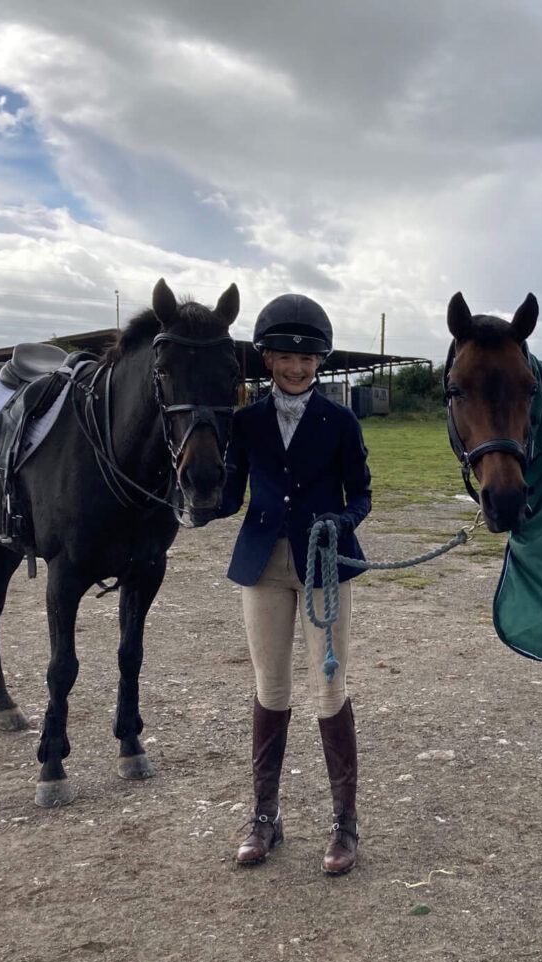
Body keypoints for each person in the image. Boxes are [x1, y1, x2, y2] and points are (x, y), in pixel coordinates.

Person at [216, 293, 372, 875]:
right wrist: (195, 493)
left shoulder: (340, 420)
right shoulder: (246, 421)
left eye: (307, 359)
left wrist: (341, 520)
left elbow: (362, 495)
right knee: (270, 687)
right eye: (284, 355)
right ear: (267, 357)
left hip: (324, 568)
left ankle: (344, 825)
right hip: (263, 566)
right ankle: (264, 816)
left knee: (328, 689)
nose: (296, 368)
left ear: (321, 363)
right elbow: (229, 493)